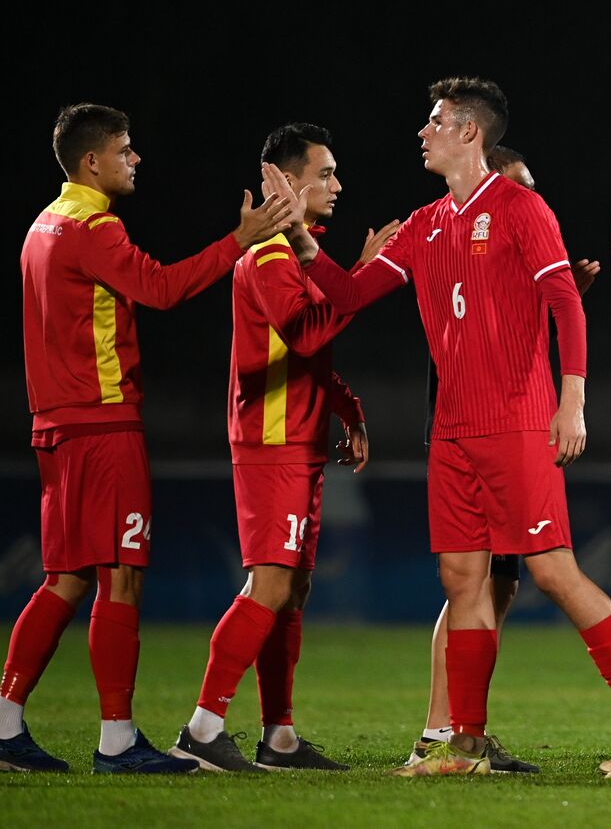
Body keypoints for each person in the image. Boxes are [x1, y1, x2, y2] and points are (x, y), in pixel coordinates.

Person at [277, 76, 611, 779]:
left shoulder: (522, 208)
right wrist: (300, 242)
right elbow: (348, 295)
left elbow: (566, 305)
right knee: (463, 579)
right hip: (453, 431)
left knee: (552, 570)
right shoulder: (427, 222)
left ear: (470, 132)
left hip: (518, 421)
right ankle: (463, 744)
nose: (423, 132)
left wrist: (572, 399)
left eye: (434, 121)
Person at [0, 104, 291, 775]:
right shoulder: (94, 228)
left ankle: (2, 729)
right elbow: (161, 289)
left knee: (64, 579)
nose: (135, 159)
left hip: (54, 425)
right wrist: (237, 240)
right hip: (101, 425)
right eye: (125, 150)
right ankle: (117, 742)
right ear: (92, 161)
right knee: (120, 578)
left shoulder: (43, 225)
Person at [170, 124, 396, 772]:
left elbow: (309, 353)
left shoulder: (295, 256)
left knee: (291, 589)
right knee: (268, 584)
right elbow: (305, 333)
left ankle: (280, 738)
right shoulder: (269, 256)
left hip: (299, 442)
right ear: (289, 184)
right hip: (271, 444)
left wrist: (346, 408)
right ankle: (203, 729)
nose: (337, 185)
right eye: (324, 173)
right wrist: (360, 277)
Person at [407, 145, 598, 774]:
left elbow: (529, 308)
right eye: (518, 186)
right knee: (472, 583)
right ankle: (442, 731)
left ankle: (466, 732)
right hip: (478, 430)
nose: (524, 199)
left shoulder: (509, 232)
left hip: (510, 421)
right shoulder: (452, 230)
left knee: (501, 583)